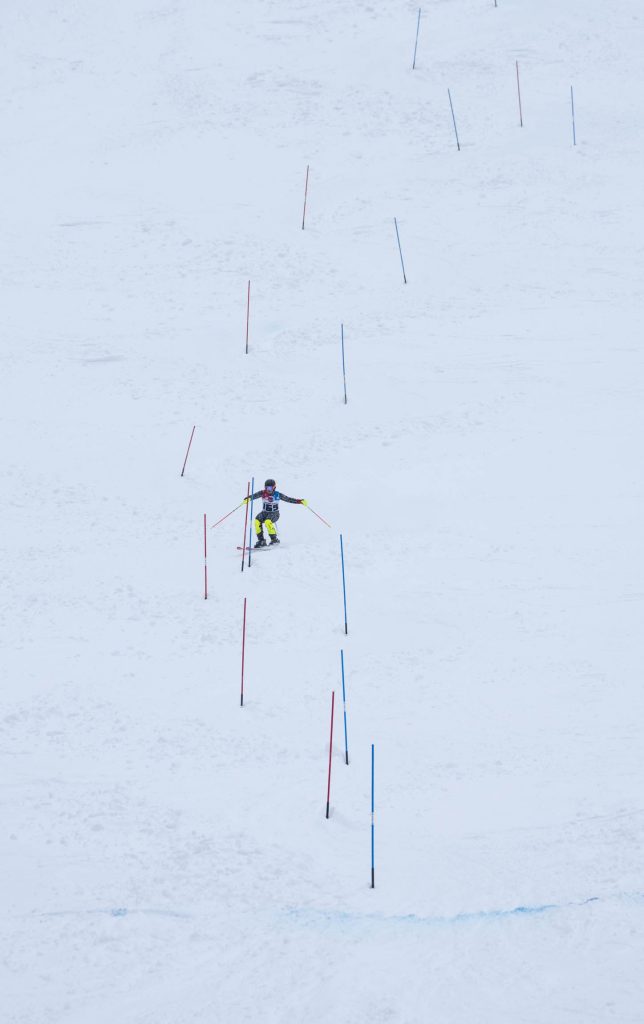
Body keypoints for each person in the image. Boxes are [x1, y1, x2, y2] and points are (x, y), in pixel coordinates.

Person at [243, 479, 307, 547]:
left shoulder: (278, 494)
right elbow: (254, 496)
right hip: (264, 513)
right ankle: (261, 541)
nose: (268, 490)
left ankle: (274, 540)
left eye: (270, 488)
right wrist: (248, 498)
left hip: (274, 514)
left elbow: (289, 499)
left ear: (274, 487)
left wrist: (299, 501)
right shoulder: (262, 493)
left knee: (268, 522)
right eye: (267, 487)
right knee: (257, 521)